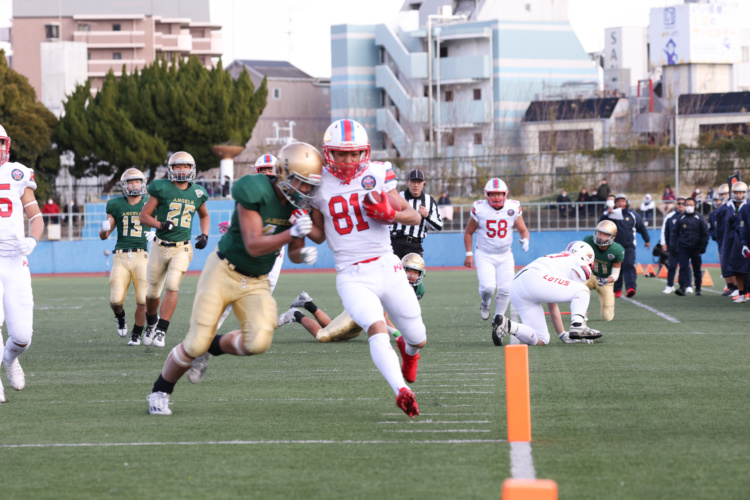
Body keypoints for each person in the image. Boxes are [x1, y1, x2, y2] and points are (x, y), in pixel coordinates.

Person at [147, 142, 323, 415]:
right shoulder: (254, 189)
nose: (307, 192)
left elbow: (295, 252)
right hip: (223, 271)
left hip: (257, 281)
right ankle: (160, 391)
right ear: (286, 174)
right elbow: (254, 244)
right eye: (302, 184)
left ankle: (213, 347)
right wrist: (292, 233)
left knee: (258, 342)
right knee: (194, 342)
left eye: (310, 185)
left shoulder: (297, 208)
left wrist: (303, 254)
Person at [306, 118, 425, 419]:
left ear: (365, 152)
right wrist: (304, 224)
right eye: (341, 154)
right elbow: (319, 234)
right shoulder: (317, 182)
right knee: (376, 327)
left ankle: (409, 350)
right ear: (328, 153)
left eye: (354, 153)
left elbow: (412, 216)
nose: (348, 161)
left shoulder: (377, 172)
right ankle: (402, 391)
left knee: (418, 336)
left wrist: (390, 212)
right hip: (351, 273)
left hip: (387, 265)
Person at [139, 152, 210, 348]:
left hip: (182, 248)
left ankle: (161, 330)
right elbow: (144, 216)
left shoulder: (197, 192)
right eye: (178, 166)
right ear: (171, 169)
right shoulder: (161, 188)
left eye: (185, 166)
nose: (181, 170)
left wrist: (205, 235)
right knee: (152, 293)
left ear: (191, 169)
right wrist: (160, 225)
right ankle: (152, 322)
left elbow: (204, 215)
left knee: (172, 285)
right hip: (159, 246)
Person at [278, 253, 427, 343]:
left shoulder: (418, 290)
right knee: (323, 336)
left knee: (335, 334)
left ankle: (307, 303)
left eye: (416, 272)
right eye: (410, 271)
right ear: (402, 269)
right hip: (359, 310)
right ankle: (295, 315)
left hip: (367, 318)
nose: (412, 276)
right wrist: (399, 336)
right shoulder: (390, 281)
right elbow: (383, 315)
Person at [0, 124, 45, 402]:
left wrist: (33, 240)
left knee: (22, 336)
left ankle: (10, 359)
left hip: (16, 260)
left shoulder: (18, 173)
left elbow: (36, 217)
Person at [491, 241, 603, 346]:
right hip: (535, 278)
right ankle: (578, 326)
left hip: (517, 284)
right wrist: (582, 325)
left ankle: (508, 325)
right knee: (583, 290)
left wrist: (562, 334)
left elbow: (552, 304)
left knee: (542, 339)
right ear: (585, 257)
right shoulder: (578, 262)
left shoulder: (559, 260)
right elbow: (580, 292)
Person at [464, 178, 530, 322]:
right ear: (486, 194)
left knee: (506, 289)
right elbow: (468, 232)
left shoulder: (512, 208)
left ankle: (498, 317)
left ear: (505, 194)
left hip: (505, 255)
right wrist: (469, 254)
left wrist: (525, 239)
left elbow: (523, 230)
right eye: (493, 194)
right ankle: (485, 303)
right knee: (488, 288)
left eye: (499, 194)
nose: (496, 197)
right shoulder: (480, 208)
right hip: (484, 254)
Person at [99, 168, 152, 344]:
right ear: (125, 185)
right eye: (131, 182)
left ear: (142, 183)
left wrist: (158, 234)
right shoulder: (115, 205)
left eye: (137, 181)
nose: (134, 184)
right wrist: (104, 229)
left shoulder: (150, 203)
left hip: (142, 255)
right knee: (115, 300)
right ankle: (120, 316)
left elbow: (164, 225)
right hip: (121, 256)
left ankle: (137, 333)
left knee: (142, 299)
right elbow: (104, 236)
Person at [599, 193, 650, 298]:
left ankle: (630, 288)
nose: (620, 203)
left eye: (623, 201)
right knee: (616, 268)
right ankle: (617, 290)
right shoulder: (610, 214)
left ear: (627, 203)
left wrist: (647, 240)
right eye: (618, 201)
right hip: (614, 247)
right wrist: (606, 214)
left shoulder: (633, 215)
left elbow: (642, 228)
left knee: (629, 265)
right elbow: (601, 225)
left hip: (629, 246)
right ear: (615, 203)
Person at [389, 168, 443, 258]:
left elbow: (438, 227)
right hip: (395, 242)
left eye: (419, 182)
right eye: (413, 182)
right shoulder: (398, 197)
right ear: (407, 182)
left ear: (423, 183)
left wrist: (427, 216)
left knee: (415, 272)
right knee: (392, 271)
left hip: (415, 245)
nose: (416, 185)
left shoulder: (430, 201)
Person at [583, 221, 624, 321]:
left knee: (608, 317)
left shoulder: (617, 250)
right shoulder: (588, 241)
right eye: (599, 233)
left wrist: (606, 280)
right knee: (578, 287)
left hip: (605, 280)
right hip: (589, 275)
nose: (601, 236)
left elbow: (615, 275)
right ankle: (580, 313)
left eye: (605, 234)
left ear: (612, 236)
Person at [716, 181, 750, 302]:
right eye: (737, 192)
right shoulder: (724, 208)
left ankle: (746, 292)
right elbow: (720, 229)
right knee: (737, 268)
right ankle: (740, 292)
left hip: (745, 239)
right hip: (732, 241)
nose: (739, 195)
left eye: (741, 192)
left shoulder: (747, 206)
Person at [671, 198, 709, 296]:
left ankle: (698, 288)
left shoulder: (700, 217)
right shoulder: (681, 218)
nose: (689, 206)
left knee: (697, 269)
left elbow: (705, 233)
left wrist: (703, 247)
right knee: (683, 268)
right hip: (684, 247)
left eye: (691, 204)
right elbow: (674, 233)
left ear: (694, 205)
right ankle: (682, 288)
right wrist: (673, 246)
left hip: (696, 248)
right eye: (687, 204)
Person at [660, 197, 686, 294]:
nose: (681, 205)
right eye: (679, 203)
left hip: (686, 246)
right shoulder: (670, 216)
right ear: (676, 204)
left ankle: (687, 286)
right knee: (671, 266)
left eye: (683, 203)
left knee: (685, 267)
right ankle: (670, 285)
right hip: (674, 246)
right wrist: (664, 242)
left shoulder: (690, 216)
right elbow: (664, 230)